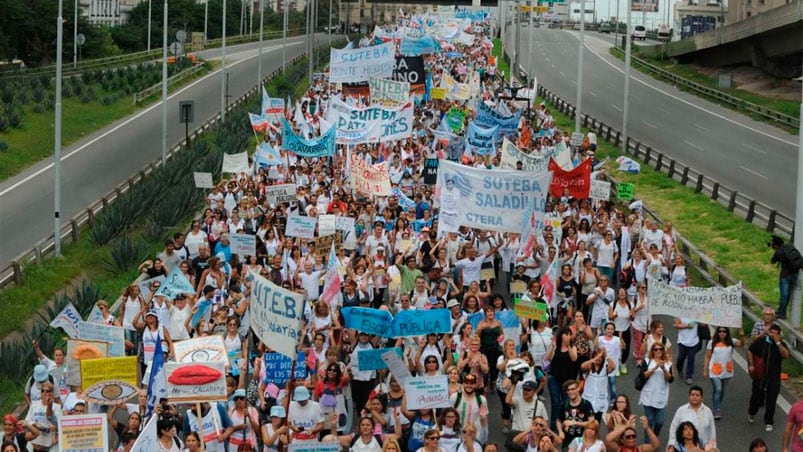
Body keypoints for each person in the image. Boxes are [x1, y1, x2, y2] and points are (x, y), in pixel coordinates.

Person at [748, 323, 790, 432]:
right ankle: (752, 412)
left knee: (771, 399)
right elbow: (750, 350)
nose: (772, 335)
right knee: (757, 397)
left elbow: (786, 355)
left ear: (779, 335)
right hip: (760, 376)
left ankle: (768, 421)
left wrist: (778, 342)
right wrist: (751, 365)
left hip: (774, 377)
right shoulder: (761, 342)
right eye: (771, 333)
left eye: (775, 334)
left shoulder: (781, 344)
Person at [702, 327, 744, 420]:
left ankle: (718, 405)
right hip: (714, 371)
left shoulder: (731, 341)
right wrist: (705, 370)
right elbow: (707, 357)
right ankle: (717, 409)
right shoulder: (712, 342)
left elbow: (741, 344)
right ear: (717, 332)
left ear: (727, 333)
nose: (722, 333)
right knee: (718, 389)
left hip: (726, 371)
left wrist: (741, 334)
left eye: (724, 331)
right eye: (720, 331)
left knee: (722, 391)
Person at [666, 386, 716, 451]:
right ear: (689, 397)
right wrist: (672, 444)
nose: (695, 397)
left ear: (702, 398)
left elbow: (712, 431)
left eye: (697, 395)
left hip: (703, 448)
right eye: (692, 395)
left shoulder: (708, 411)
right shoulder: (681, 410)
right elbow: (673, 428)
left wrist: (713, 447)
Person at [449, 374, 489, 442]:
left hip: (475, 437)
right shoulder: (454, 397)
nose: (469, 386)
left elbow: (485, 420)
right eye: (466, 383)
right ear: (463, 384)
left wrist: (484, 435)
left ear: (476, 384)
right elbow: (448, 416)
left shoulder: (482, 400)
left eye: (472, 383)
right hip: (458, 437)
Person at [556, 380, 594, 447]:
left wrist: (575, 423)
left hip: (583, 440)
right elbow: (559, 420)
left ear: (578, 388)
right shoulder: (564, 404)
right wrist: (560, 431)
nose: (570, 392)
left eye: (573, 389)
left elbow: (592, 423)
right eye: (568, 390)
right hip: (567, 441)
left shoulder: (586, 404)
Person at [769, 235, 798, 319]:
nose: (772, 245)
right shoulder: (790, 246)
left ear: (776, 245)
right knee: (787, 294)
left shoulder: (778, 252)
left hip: (785, 276)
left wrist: (774, 251)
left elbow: (772, 261)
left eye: (773, 244)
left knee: (784, 295)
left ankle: (781, 313)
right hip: (795, 274)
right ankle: (782, 311)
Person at [673, 317, 700, 385]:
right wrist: (687, 326)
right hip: (682, 341)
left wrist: (701, 321)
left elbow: (704, 325)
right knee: (681, 358)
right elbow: (676, 325)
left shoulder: (697, 315)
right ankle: (679, 369)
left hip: (694, 341)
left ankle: (688, 376)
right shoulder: (681, 314)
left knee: (691, 359)